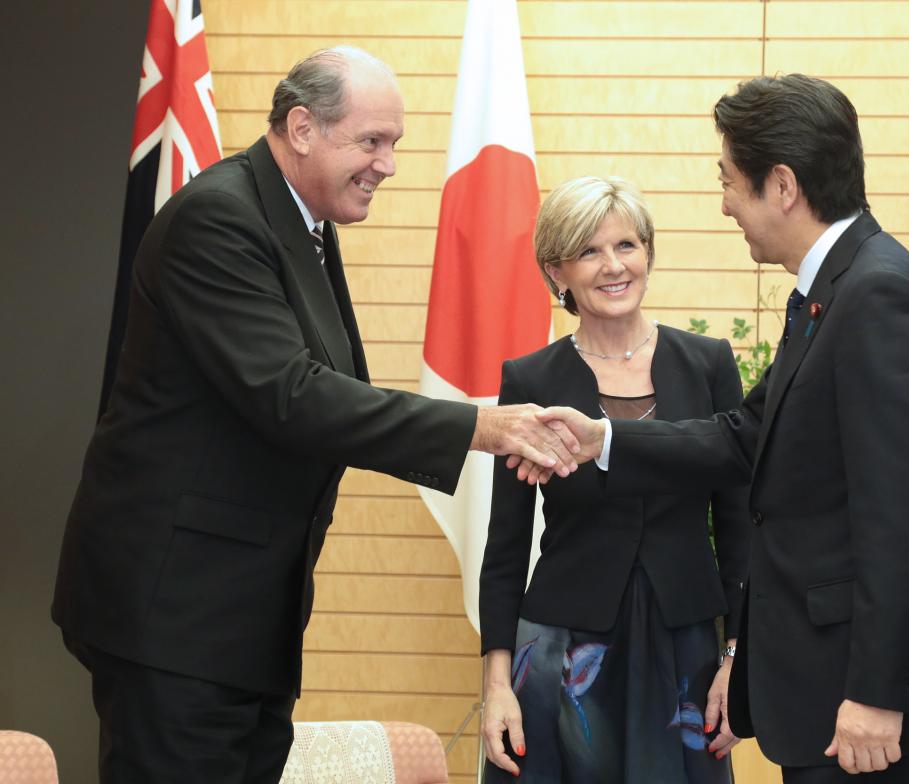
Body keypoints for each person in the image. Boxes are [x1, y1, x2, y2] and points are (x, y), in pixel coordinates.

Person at [51, 46, 578, 784]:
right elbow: (294, 397)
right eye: (372, 141)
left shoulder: (299, 220)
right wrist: (482, 428)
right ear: (302, 128)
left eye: (392, 143)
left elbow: (327, 393)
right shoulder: (218, 219)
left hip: (240, 620)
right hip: (173, 617)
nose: (388, 164)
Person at [528, 75, 909, 782]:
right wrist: (604, 439)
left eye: (730, 182)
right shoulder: (832, 291)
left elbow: (905, 520)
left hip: (859, 710)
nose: (723, 204)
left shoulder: (879, 297)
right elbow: (745, 434)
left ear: (781, 185)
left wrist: (875, 692)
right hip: (820, 696)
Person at [478, 176, 750, 783]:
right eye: (589, 251)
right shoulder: (530, 380)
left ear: (648, 253)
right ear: (558, 272)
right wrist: (496, 684)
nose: (612, 266)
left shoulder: (708, 365)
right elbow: (504, 547)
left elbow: (740, 531)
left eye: (626, 245)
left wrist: (738, 658)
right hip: (561, 649)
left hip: (687, 649)